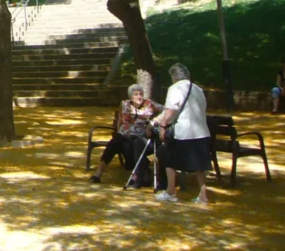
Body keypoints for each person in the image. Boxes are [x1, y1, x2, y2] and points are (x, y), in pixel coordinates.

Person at [153, 63, 211, 205]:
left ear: (173, 77)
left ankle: (171, 191)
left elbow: (171, 110)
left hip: (184, 132)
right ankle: (203, 195)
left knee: (165, 154)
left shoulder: (175, 88)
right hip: (201, 131)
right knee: (200, 165)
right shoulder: (197, 89)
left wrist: (162, 126)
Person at [89, 84, 163, 187]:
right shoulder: (125, 104)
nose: (139, 97)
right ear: (130, 97)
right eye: (136, 94)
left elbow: (166, 110)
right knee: (115, 143)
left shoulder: (149, 104)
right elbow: (120, 121)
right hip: (124, 134)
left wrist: (154, 122)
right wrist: (119, 131)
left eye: (141, 94)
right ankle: (98, 173)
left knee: (129, 144)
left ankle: (138, 175)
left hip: (140, 136)